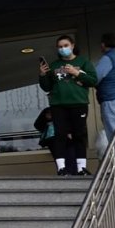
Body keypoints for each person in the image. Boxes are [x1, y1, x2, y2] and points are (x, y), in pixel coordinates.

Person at [39, 35, 98, 176]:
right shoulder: (54, 65)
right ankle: (61, 168)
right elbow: (47, 87)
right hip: (58, 104)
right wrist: (42, 75)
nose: (63, 48)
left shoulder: (83, 62)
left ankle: (81, 168)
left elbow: (93, 80)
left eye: (65, 45)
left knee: (79, 134)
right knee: (60, 135)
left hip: (79, 102)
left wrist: (76, 73)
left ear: (72, 45)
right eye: (60, 46)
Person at [33, 107, 60, 171]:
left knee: (58, 157)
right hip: (57, 138)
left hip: (52, 138)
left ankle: (62, 171)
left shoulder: (48, 110)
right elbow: (37, 124)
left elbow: (37, 124)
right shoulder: (49, 110)